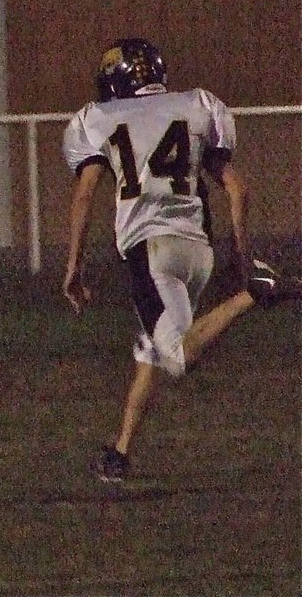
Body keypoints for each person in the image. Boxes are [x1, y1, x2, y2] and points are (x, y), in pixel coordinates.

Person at [61, 37, 301, 483]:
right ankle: (119, 452)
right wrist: (240, 253)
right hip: (198, 248)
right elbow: (237, 189)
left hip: (149, 249)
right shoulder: (197, 106)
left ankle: (255, 293)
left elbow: (85, 194)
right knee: (150, 347)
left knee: (175, 355)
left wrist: (73, 265)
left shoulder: (99, 118)